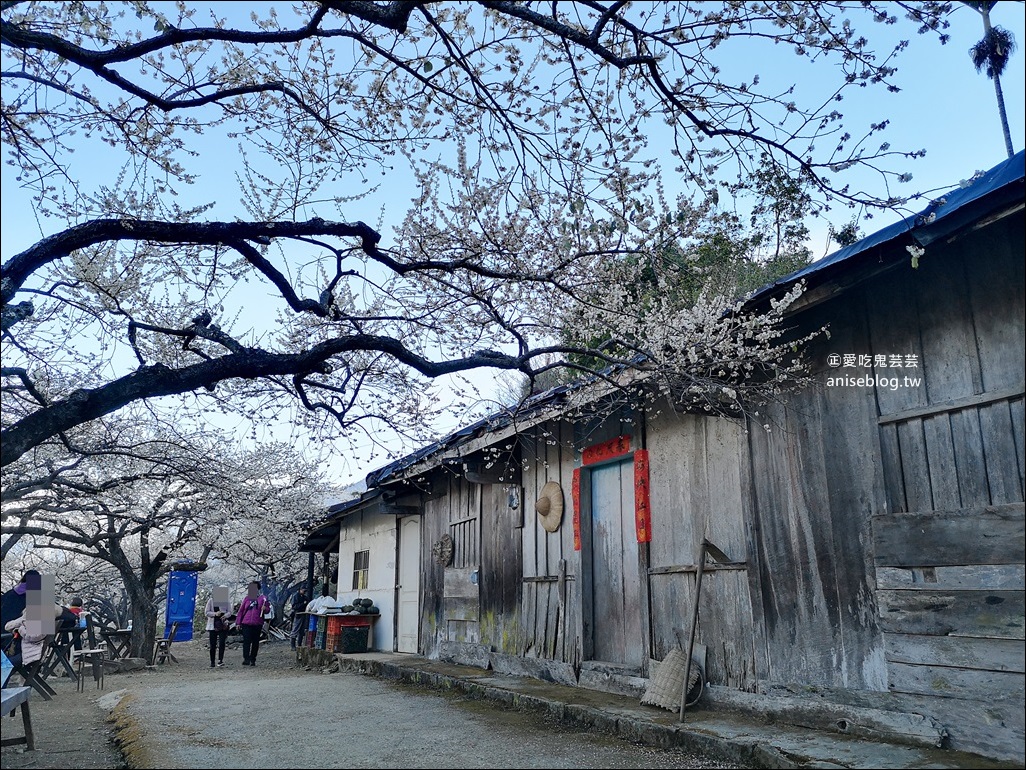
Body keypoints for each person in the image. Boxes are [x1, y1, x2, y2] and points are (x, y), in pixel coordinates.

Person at [235, 581, 272, 667]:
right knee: (246, 642)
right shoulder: (247, 599)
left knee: (255, 642)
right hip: (246, 623)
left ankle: (253, 659)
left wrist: (265, 608)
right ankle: (246, 658)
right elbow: (241, 611)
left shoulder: (263, 599)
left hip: (257, 623)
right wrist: (238, 622)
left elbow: (267, 610)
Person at [204, 587, 231, 668]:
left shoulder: (226, 601)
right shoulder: (211, 601)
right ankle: (212, 661)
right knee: (212, 644)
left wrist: (225, 616)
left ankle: (220, 660)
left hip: (223, 625)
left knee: (222, 643)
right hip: (213, 625)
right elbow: (206, 612)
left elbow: (230, 612)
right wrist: (215, 614)